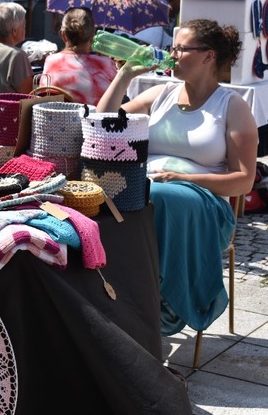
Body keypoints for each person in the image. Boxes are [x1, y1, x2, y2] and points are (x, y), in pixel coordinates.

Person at [96, 19, 258, 336]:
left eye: (180, 49)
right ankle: (117, 290)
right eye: (171, 47)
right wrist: (125, 75)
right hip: (149, 193)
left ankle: (165, 303)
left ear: (208, 56)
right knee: (101, 191)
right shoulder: (162, 94)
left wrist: (183, 178)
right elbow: (102, 122)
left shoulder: (231, 106)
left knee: (159, 196)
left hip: (205, 205)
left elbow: (244, 180)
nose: (171, 55)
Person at [41, 7, 117, 105]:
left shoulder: (50, 61)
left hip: (54, 113)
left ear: (63, 35)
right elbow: (119, 95)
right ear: (92, 38)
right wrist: (104, 58)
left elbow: (42, 95)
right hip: (94, 114)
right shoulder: (105, 63)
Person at [0, 1, 33, 95]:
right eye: (24, 25)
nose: (26, 28)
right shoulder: (17, 55)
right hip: (1, 104)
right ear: (15, 31)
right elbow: (28, 95)